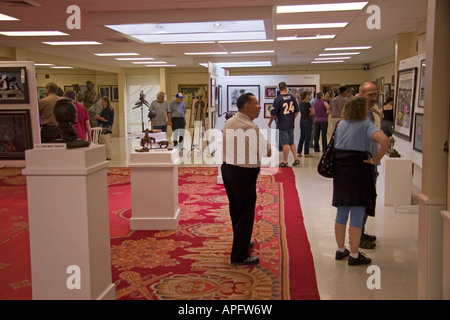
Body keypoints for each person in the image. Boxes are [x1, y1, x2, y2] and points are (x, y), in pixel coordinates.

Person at [332, 96, 390, 266]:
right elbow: (385, 140)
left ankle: (341, 250)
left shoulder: (341, 124)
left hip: (341, 171)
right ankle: (355, 255)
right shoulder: (366, 125)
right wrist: (375, 159)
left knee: (341, 210)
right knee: (357, 212)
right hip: (359, 171)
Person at [221, 92, 271, 265]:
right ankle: (239, 255)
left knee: (236, 209)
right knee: (246, 213)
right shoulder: (250, 127)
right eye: (256, 103)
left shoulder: (230, 121)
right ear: (247, 106)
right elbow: (267, 151)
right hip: (243, 173)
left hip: (228, 169)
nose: (259, 107)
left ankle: (243, 241)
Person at [268, 82, 300, 167]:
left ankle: (285, 161)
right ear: (286, 87)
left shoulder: (278, 99)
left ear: (279, 88)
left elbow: (273, 113)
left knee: (285, 143)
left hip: (282, 124)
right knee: (291, 142)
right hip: (291, 124)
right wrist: (292, 118)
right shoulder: (292, 97)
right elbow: (296, 111)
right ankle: (296, 158)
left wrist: (270, 122)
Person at [297, 90, 314, 158]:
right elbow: (312, 112)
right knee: (307, 137)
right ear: (305, 96)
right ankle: (306, 152)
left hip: (302, 121)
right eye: (308, 95)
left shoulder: (300, 104)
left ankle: (299, 152)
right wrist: (309, 114)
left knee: (302, 136)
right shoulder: (308, 104)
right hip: (307, 120)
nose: (309, 96)